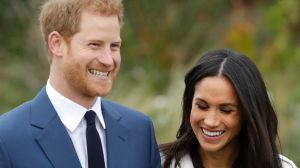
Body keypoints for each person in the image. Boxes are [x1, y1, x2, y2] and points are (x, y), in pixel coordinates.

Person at [0, 0, 161, 168]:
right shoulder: (6, 138)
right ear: (56, 44)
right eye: (94, 45)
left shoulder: (140, 131)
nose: (108, 60)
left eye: (114, 46)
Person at [159, 49, 297, 168]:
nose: (210, 122)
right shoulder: (158, 162)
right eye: (202, 106)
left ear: (248, 113)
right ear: (189, 105)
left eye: (226, 110)